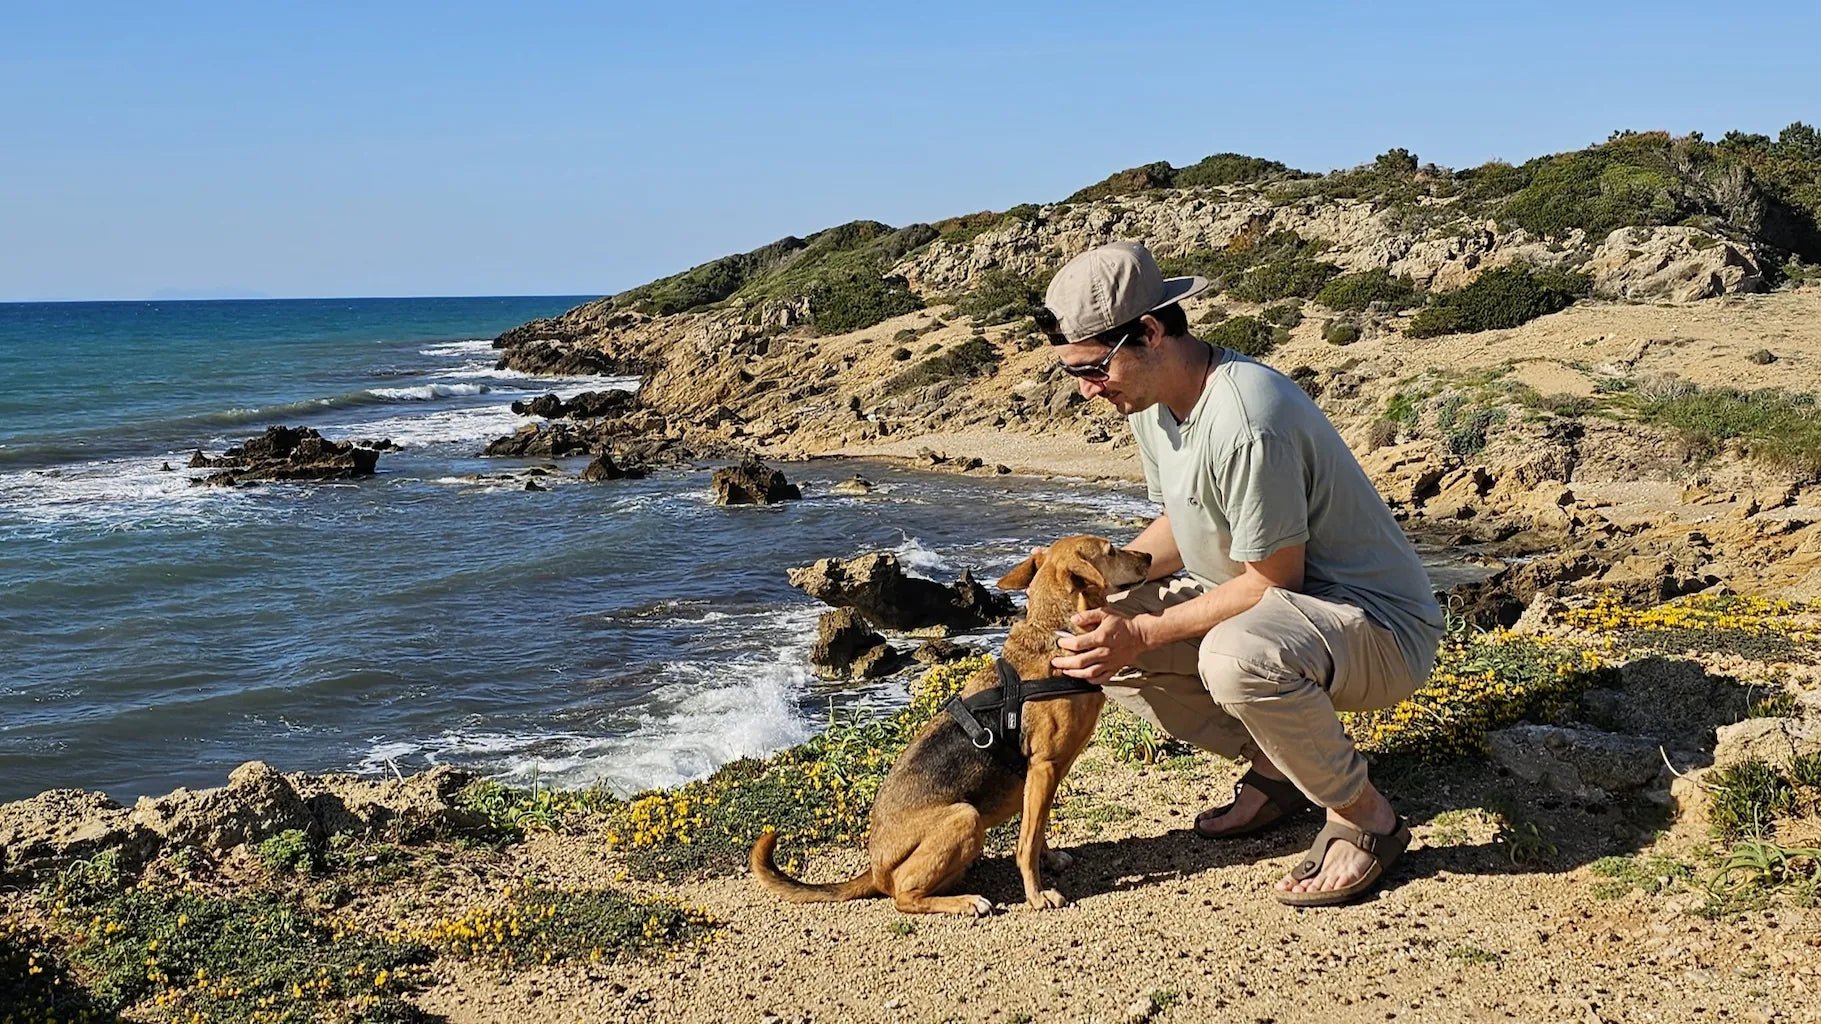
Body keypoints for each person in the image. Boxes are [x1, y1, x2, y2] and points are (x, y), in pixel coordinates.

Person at [1039, 241, 1444, 906]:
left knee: (1233, 657)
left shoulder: (1248, 419)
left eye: (1093, 368)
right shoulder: (1150, 402)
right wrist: (1105, 587)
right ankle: (1281, 768)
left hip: (1376, 628)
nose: (1086, 389)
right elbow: (1185, 520)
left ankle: (1365, 818)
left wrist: (1142, 632)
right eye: (1073, 372)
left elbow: (1272, 580)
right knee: (1090, 640)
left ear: (1150, 332)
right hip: (1281, 607)